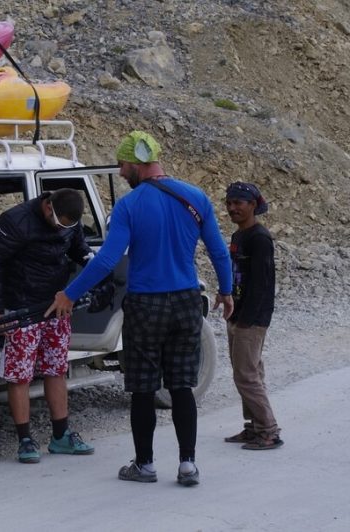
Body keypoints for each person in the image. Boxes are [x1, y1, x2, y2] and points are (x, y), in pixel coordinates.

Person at [46, 131, 234, 486]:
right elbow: (219, 252)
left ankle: (145, 465)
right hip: (186, 301)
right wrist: (226, 291)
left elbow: (107, 261)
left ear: (137, 163)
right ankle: (188, 465)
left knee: (144, 388)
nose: (120, 173)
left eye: (122, 165)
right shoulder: (195, 197)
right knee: (181, 386)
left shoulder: (129, 206)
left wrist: (69, 294)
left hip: (146, 304)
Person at [0, 188, 95, 464]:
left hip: (56, 306)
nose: (61, 230)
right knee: (19, 375)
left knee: (56, 369)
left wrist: (97, 273)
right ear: (48, 208)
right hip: (20, 308)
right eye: (59, 224)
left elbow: (80, 251)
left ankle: (61, 436)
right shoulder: (14, 221)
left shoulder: (70, 224)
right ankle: (25, 441)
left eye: (67, 226)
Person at [224, 182, 283, 450]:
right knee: (248, 372)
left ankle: (268, 431)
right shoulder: (239, 236)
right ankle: (254, 427)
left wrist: (246, 320)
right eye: (229, 203)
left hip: (252, 318)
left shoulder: (260, 238)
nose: (232, 208)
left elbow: (261, 284)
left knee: (246, 375)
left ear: (252, 205)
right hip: (238, 314)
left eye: (238, 202)